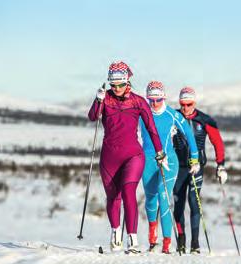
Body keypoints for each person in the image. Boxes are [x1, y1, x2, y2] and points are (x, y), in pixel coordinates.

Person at [88, 61, 166, 253]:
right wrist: (97, 100)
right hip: (109, 157)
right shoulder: (105, 99)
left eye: (120, 85)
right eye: (113, 85)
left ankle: (132, 239)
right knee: (113, 197)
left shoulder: (138, 101)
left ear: (127, 81)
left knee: (128, 191)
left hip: (133, 155)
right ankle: (116, 233)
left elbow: (151, 128)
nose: (117, 89)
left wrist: (159, 152)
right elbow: (92, 117)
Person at [140, 81, 200, 254]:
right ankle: (153, 239)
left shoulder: (171, 114)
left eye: (158, 100)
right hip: (148, 160)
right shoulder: (142, 114)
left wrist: (194, 159)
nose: (154, 104)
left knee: (163, 196)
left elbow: (189, 134)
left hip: (168, 160)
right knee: (150, 199)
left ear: (163, 98)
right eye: (151, 100)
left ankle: (167, 243)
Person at [173, 86, 228, 254]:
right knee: (178, 204)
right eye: (182, 104)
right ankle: (181, 241)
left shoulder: (204, 120)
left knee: (194, 202)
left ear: (194, 103)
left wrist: (221, 165)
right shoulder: (173, 117)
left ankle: (195, 243)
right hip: (178, 167)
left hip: (197, 167)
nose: (185, 108)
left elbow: (217, 142)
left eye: (189, 104)